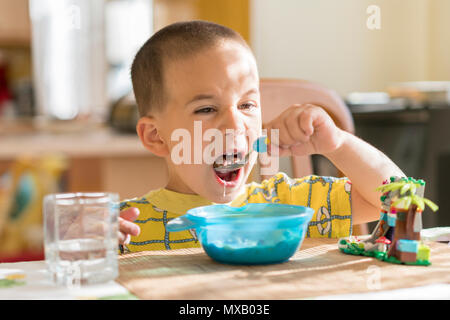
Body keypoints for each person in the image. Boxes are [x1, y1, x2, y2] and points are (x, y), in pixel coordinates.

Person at [117, 20, 404, 252]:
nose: (235, 125)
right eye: (206, 108)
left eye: (246, 105)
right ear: (156, 136)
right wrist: (88, 250)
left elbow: (400, 200)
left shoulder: (290, 206)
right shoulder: (122, 227)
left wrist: (338, 144)